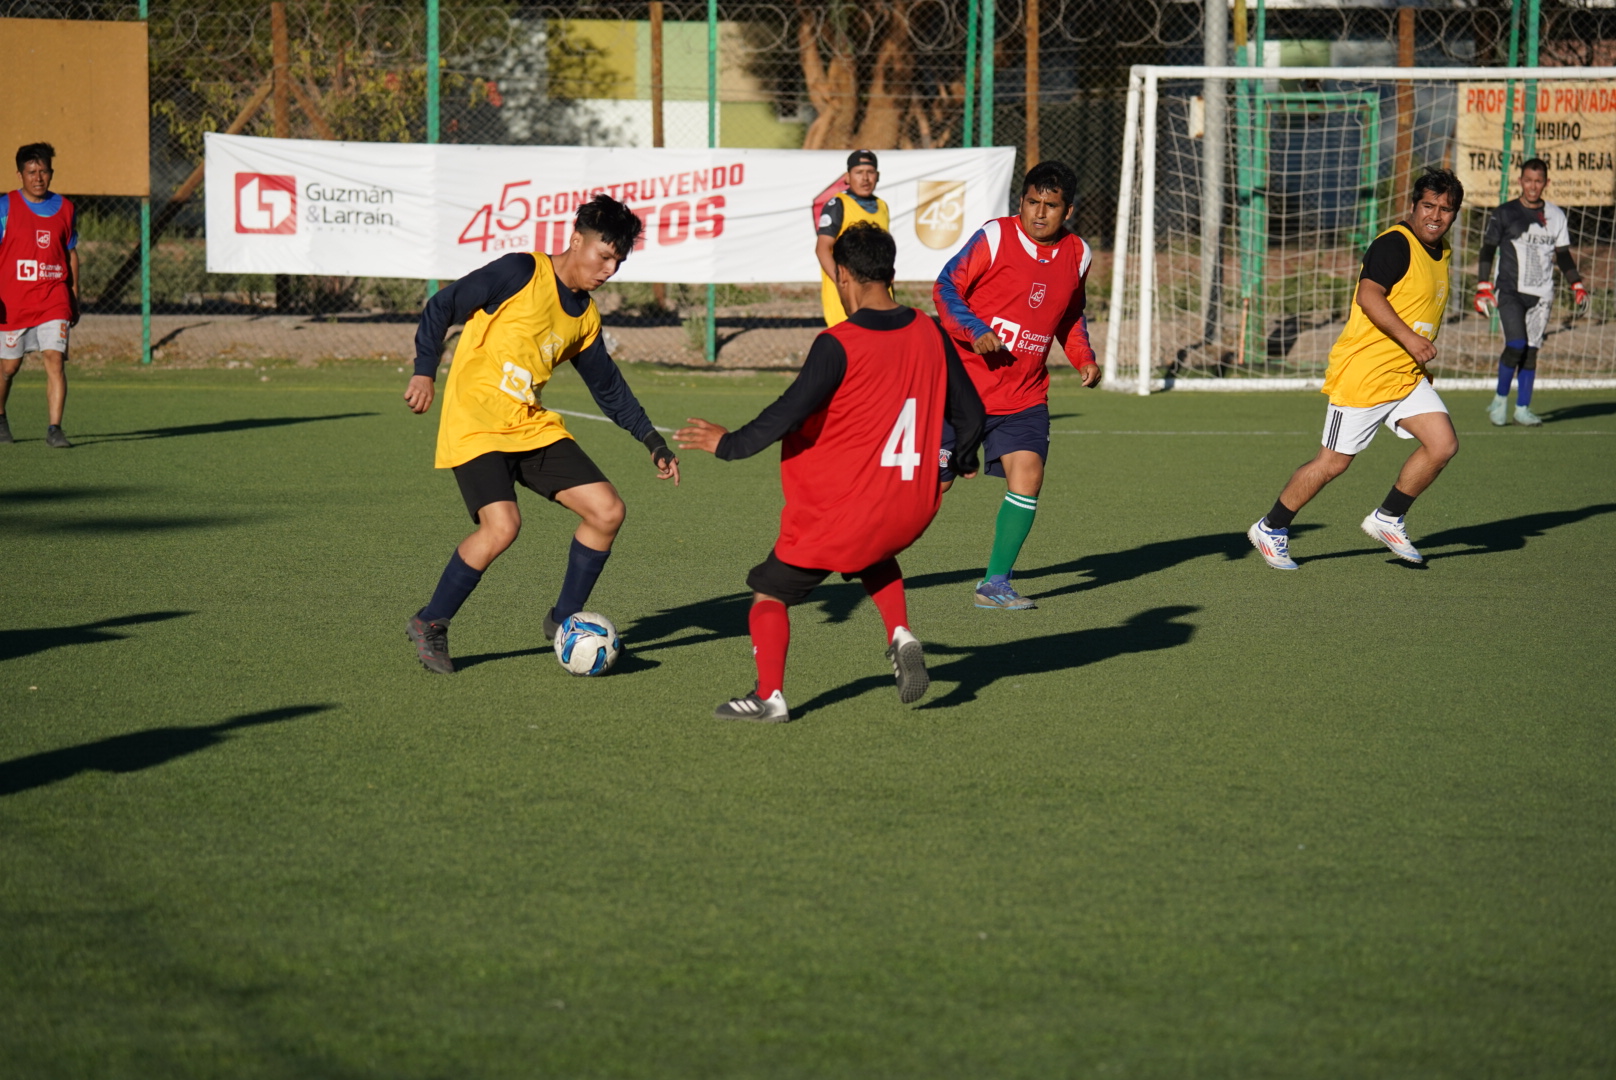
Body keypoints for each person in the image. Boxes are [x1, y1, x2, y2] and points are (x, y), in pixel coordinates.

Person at [676, 223, 985, 722]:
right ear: (891, 272)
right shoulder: (930, 329)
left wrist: (729, 444)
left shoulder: (839, 342)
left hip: (845, 514)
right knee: (873, 552)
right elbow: (971, 413)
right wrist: (957, 462)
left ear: (842, 275)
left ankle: (770, 697)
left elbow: (789, 411)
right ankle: (900, 633)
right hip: (910, 507)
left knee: (769, 592)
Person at [403, 194, 680, 674]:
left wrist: (651, 440)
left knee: (607, 511)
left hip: (529, 425)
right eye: (604, 256)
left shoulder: (585, 316)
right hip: (476, 421)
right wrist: (425, 369)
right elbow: (442, 304)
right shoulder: (520, 272)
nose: (609, 270)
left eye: (618, 261)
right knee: (503, 526)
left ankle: (564, 620)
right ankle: (431, 621)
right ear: (576, 240)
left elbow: (608, 387)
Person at [1247, 168, 1464, 570]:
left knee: (1443, 444)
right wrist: (1411, 339)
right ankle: (1271, 527)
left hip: (1404, 377)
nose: (1436, 215)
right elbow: (1369, 296)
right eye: (1428, 205)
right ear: (1413, 205)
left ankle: (1389, 518)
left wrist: (1411, 350)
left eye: (1446, 209)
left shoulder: (1441, 250)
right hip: (1364, 375)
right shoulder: (1394, 245)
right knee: (1333, 463)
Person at [932, 159, 1101, 611]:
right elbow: (946, 287)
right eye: (1032, 202)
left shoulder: (1078, 254)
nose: (1039, 213)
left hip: (1023, 394)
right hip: (961, 391)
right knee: (933, 490)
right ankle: (859, 538)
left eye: (1051, 205)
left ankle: (995, 583)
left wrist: (1082, 356)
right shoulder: (995, 237)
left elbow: (1070, 313)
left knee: (1028, 476)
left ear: (1068, 210)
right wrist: (973, 328)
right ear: (1020, 201)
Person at [1473, 157, 1590, 427]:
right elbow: (1488, 249)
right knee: (1516, 344)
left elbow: (1563, 255)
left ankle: (1522, 409)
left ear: (1546, 183)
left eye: (1538, 181)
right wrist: (1482, 286)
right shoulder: (1504, 213)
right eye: (1528, 180)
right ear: (1520, 181)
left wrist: (1577, 284)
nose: (1533, 186)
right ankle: (1500, 399)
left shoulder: (1556, 216)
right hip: (1510, 290)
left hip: (1542, 295)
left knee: (1531, 351)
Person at [0, 143, 80, 448]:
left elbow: (71, 254)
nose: (38, 177)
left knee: (54, 359)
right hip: (13, 301)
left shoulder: (66, 208)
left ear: (51, 173)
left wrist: (74, 294)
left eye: (43, 171)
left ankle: (54, 429)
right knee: (9, 368)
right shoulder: (5, 207)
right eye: (31, 172)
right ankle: (0, 417)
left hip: (53, 297)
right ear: (20, 174)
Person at [815, 149, 889, 327]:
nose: (865, 178)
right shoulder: (837, 204)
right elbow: (822, 248)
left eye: (870, 172)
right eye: (859, 172)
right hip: (848, 298)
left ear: (877, 176)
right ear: (847, 177)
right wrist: (842, 283)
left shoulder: (882, 206)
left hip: (879, 295)